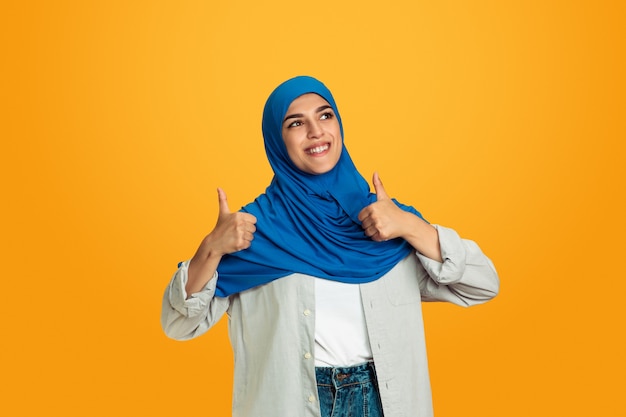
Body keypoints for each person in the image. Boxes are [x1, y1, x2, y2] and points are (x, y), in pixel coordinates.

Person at [161, 76, 499, 417]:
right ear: (277, 141)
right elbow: (178, 324)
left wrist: (411, 226)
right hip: (291, 404)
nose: (316, 131)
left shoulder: (387, 221)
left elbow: (483, 284)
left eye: (325, 116)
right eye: (296, 123)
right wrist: (210, 249)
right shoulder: (252, 232)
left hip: (386, 402)